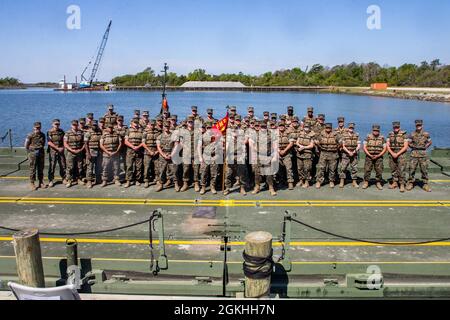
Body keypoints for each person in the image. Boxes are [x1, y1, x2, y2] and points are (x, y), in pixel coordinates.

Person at [249, 121, 277, 196]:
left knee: (269, 173)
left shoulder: (271, 134)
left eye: (265, 127)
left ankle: (271, 188)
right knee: (257, 173)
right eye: (262, 127)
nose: (263, 128)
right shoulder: (256, 134)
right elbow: (251, 142)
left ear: (266, 127)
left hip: (268, 156)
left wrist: (274, 156)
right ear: (260, 127)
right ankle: (257, 187)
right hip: (259, 156)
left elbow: (275, 145)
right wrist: (255, 150)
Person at [406, 120, 432, 192]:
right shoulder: (412, 134)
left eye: (420, 125)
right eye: (417, 125)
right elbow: (408, 142)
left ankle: (425, 184)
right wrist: (413, 147)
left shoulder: (426, 134)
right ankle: (410, 183)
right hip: (414, 153)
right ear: (415, 126)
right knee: (411, 169)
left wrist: (425, 147)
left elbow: (430, 141)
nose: (418, 126)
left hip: (423, 154)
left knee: (424, 170)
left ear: (422, 125)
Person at [178, 115, 201, 192]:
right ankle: (185, 183)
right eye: (189, 122)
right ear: (187, 123)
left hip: (195, 153)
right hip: (186, 153)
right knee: (186, 169)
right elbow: (181, 143)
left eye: (192, 122)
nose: (190, 123)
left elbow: (199, 143)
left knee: (196, 169)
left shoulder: (197, 132)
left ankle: (196, 183)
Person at [315, 123, 339, 189]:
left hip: (333, 153)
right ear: (325, 128)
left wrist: (336, 148)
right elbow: (316, 141)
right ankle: (319, 181)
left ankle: (331, 181)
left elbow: (341, 142)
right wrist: (318, 147)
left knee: (332, 168)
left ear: (331, 128)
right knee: (321, 168)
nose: (328, 129)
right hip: (323, 153)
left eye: (329, 128)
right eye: (327, 128)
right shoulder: (321, 134)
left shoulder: (335, 134)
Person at [156, 122, 179, 192]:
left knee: (174, 171)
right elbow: (158, 147)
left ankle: (176, 184)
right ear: (163, 127)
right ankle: (160, 184)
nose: (167, 128)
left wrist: (171, 155)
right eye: (165, 126)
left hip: (172, 155)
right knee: (161, 171)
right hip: (162, 156)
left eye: (168, 126)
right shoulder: (159, 136)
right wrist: (163, 155)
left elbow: (176, 145)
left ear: (169, 126)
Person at [362, 125, 387, 190]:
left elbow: (385, 148)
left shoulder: (382, 138)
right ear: (372, 130)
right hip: (369, 156)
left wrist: (378, 155)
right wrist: (369, 155)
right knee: (367, 169)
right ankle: (366, 182)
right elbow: (364, 147)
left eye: (377, 131)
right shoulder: (368, 137)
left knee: (379, 170)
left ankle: (378, 182)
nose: (376, 132)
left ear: (379, 131)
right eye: (374, 130)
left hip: (379, 157)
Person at [386, 121, 409, 192]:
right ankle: (395, 182)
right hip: (392, 153)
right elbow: (387, 145)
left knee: (401, 169)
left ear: (399, 127)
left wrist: (397, 153)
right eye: (395, 127)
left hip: (401, 154)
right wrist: (392, 153)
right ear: (393, 127)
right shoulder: (390, 134)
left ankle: (402, 184)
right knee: (393, 169)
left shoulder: (404, 134)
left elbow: (406, 146)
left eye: (397, 127)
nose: (396, 128)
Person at [199, 122, 220, 195]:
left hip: (214, 157)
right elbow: (198, 147)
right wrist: (200, 157)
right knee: (203, 173)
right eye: (207, 128)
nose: (209, 129)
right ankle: (203, 187)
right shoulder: (202, 136)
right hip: (205, 157)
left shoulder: (216, 136)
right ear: (205, 128)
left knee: (214, 173)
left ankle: (212, 186)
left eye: (210, 128)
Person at [25, 122, 46, 190]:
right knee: (33, 168)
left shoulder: (42, 135)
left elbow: (43, 143)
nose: (38, 129)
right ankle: (32, 183)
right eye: (36, 127)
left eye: (39, 127)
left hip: (40, 153)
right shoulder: (30, 135)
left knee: (41, 168)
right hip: (32, 153)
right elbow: (26, 145)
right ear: (34, 127)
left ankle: (41, 182)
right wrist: (30, 152)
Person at [338, 123, 361, 188]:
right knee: (343, 168)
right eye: (350, 128)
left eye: (352, 128)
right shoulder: (344, 135)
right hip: (345, 154)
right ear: (348, 128)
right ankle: (342, 181)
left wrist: (354, 151)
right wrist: (348, 152)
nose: (351, 129)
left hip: (354, 154)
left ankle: (354, 182)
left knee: (354, 168)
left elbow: (359, 145)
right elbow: (343, 145)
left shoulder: (356, 135)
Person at [64, 120, 85, 188]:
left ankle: (79, 179)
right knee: (70, 167)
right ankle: (69, 180)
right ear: (71, 125)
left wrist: (81, 150)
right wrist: (71, 150)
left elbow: (84, 143)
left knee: (79, 166)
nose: (75, 126)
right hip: (70, 152)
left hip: (79, 152)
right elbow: (65, 143)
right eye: (73, 125)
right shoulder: (68, 133)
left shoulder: (81, 132)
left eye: (76, 125)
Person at [293, 124, 315, 188]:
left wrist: (304, 147)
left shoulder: (312, 135)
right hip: (300, 154)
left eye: (307, 127)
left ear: (310, 128)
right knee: (300, 168)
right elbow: (297, 142)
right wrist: (300, 146)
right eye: (305, 127)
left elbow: (311, 145)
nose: (306, 128)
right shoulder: (300, 134)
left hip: (307, 154)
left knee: (307, 168)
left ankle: (307, 182)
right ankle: (301, 180)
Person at [124, 119, 144, 188]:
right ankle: (128, 181)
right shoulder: (128, 130)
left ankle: (137, 180)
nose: (136, 124)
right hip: (130, 150)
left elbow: (143, 141)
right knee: (129, 166)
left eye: (137, 122)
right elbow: (126, 141)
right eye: (134, 122)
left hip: (139, 150)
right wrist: (133, 146)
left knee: (138, 166)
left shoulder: (142, 130)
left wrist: (138, 147)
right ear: (131, 123)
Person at [46, 119, 66, 188]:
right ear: (52, 124)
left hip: (61, 151)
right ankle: (50, 180)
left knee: (63, 165)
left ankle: (64, 178)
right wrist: (57, 148)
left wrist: (63, 147)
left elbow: (64, 140)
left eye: (58, 124)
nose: (57, 125)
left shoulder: (62, 131)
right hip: (53, 151)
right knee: (52, 166)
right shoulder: (49, 132)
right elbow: (49, 142)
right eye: (55, 124)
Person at [84, 120, 103, 188]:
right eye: (93, 125)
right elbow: (86, 144)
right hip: (91, 151)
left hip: (99, 151)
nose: (94, 126)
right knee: (90, 167)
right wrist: (88, 153)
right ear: (91, 125)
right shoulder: (88, 133)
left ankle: (98, 179)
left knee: (98, 166)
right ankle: (89, 181)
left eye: (95, 125)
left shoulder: (99, 131)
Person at [142, 120, 160, 188]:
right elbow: (143, 143)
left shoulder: (158, 132)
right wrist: (149, 151)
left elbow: (160, 143)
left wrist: (157, 151)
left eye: (153, 125)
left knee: (157, 167)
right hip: (147, 152)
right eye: (151, 125)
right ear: (149, 125)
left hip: (156, 152)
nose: (152, 126)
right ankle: (146, 180)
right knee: (147, 167)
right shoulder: (145, 132)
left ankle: (157, 179)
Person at [277, 122, 293, 189]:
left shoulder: (288, 133)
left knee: (288, 168)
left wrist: (284, 151)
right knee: (279, 169)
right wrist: (278, 151)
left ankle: (290, 182)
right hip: (278, 153)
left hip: (287, 153)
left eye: (282, 126)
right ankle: (281, 182)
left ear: (284, 126)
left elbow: (291, 143)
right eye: (280, 125)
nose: (281, 127)